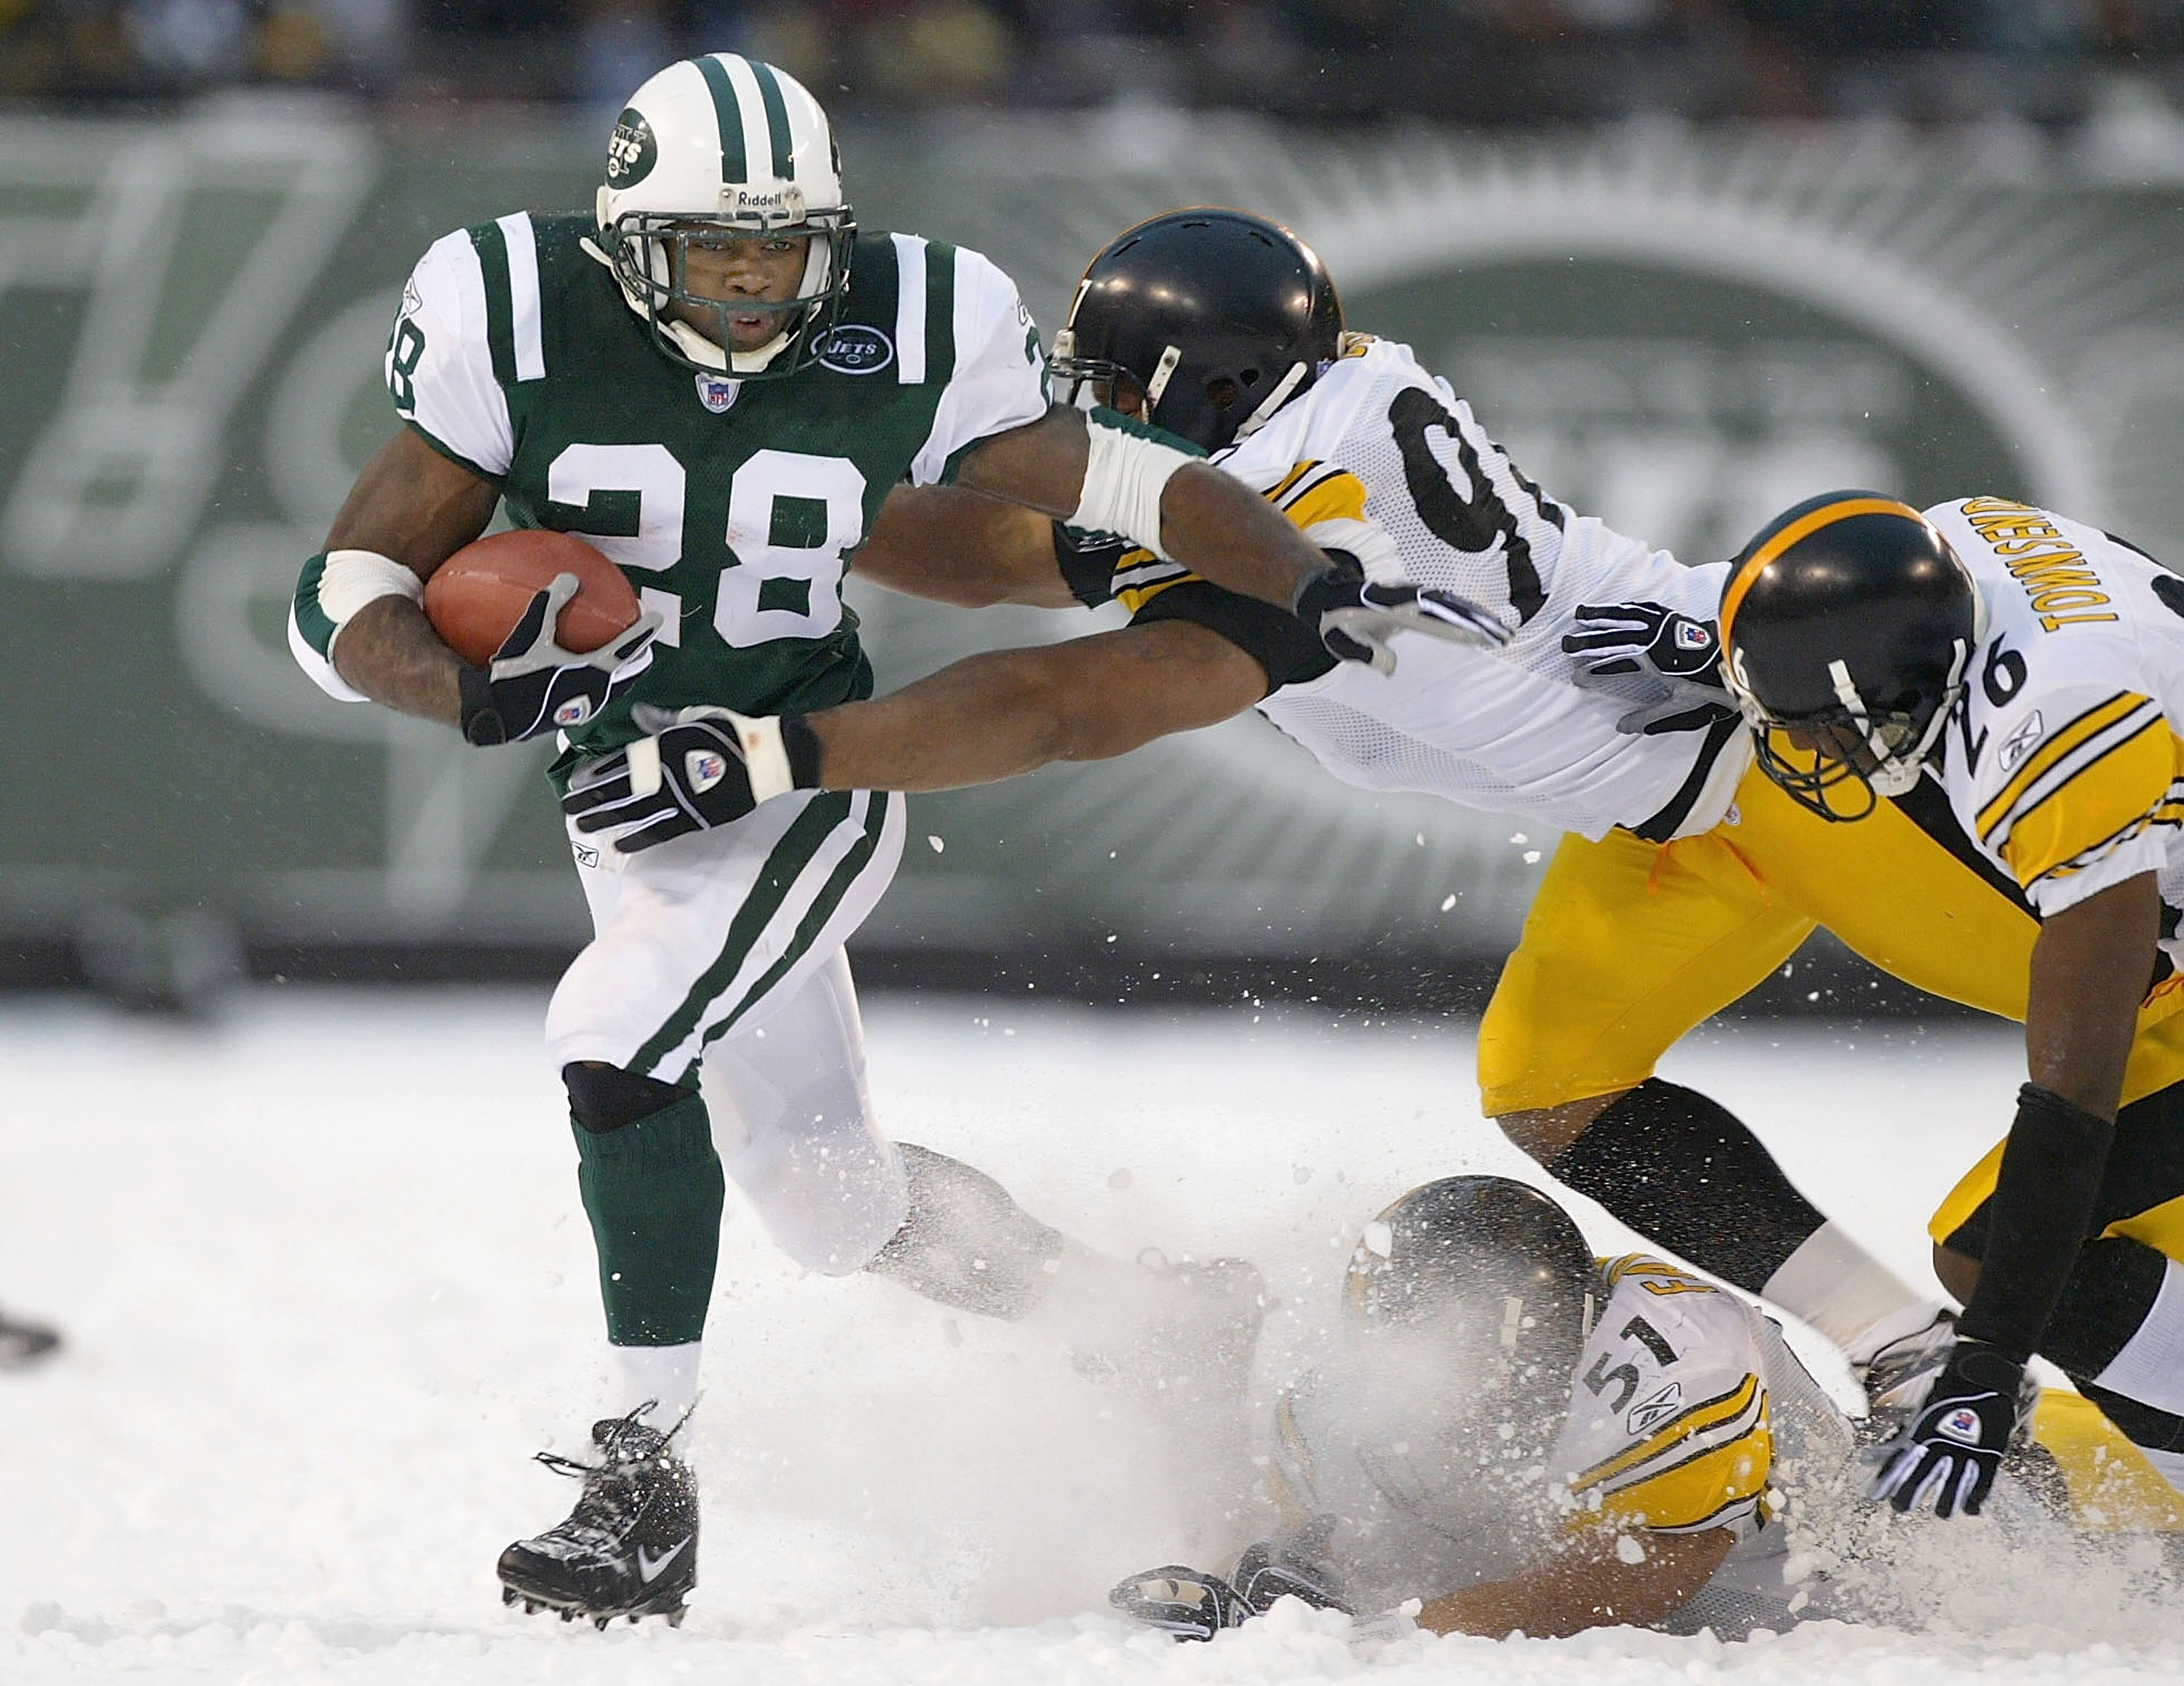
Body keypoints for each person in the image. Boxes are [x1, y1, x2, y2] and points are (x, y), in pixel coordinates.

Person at [593, 208, 2184, 1509]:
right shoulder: (1289, 416)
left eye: (1128, 392)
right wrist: (746, 504)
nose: (1095, 422)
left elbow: (1079, 703)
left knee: (2100, 1078)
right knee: (1552, 1081)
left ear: (1220, 395)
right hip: (1665, 797)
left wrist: (788, 750)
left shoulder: (1308, 492)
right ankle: (1904, 1347)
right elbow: (1022, 557)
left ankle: (2014, 1367)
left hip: (1778, 791)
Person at [285, 60, 1476, 1629]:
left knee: (612, 1032)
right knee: (823, 1197)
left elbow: (1127, 483)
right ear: (630, 238)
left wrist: (1292, 572)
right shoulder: (510, 311)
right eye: (718, 247)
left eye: (781, 246)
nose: (754, 278)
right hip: (627, 798)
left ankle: (644, 1478)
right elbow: (342, 589)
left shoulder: (918, 318)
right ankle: (1152, 1318)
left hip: (795, 782)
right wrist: (465, 694)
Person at [1107, 1176, 2183, 1644]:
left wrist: (1381, 1632)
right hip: (1632, 1557)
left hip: (1847, 1551)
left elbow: (1647, 1576)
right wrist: (1274, 1581)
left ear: (1562, 1331)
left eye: (1490, 1348)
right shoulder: (1345, 1384)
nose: (1458, 1380)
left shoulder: (1670, 1349)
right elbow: (1321, 1526)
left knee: (2098, 1580)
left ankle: (2075, 1468)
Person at [1717, 492, 2184, 1520]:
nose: (1814, 753)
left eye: (1823, 728)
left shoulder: (2057, 741)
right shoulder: (1953, 552)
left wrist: (1986, 1360)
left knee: (1997, 1250)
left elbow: (2074, 1107)